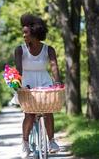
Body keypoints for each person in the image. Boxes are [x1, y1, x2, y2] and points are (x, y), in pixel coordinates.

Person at [14, 14, 61, 158]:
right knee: (29, 114)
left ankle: (51, 140)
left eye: (26, 33)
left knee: (48, 111)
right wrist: (18, 85)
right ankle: (25, 143)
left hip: (44, 81)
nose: (23, 35)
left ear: (34, 33)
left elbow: (54, 67)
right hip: (27, 82)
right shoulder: (20, 50)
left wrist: (57, 83)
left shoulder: (49, 49)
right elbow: (18, 69)